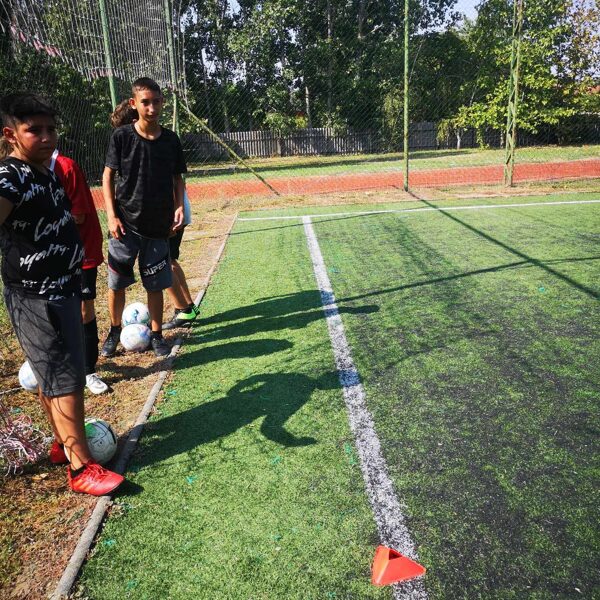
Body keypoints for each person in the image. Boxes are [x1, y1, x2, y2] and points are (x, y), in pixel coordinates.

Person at [0, 92, 123, 495]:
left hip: (63, 289)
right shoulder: (10, 176)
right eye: (34, 130)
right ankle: (81, 468)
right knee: (65, 378)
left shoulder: (45, 171)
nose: (46, 136)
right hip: (35, 297)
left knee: (55, 375)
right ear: (10, 134)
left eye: (51, 129)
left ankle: (62, 445)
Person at [101, 78, 186, 358]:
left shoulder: (171, 140)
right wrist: (112, 215)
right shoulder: (122, 137)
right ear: (133, 104)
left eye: (156, 101)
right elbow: (108, 176)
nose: (151, 108)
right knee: (117, 284)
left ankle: (157, 335)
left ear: (163, 102)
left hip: (158, 228)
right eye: (145, 102)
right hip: (124, 226)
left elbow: (177, 178)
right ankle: (114, 331)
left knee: (156, 285)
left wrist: (179, 207)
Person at [108, 100, 198, 330]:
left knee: (164, 262)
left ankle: (185, 309)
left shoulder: (158, 142)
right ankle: (187, 306)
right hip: (169, 211)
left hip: (169, 213)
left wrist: (175, 209)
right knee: (170, 260)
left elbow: (174, 179)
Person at [48, 150, 109, 394]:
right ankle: (61, 366)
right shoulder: (24, 170)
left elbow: (79, 216)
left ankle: (88, 370)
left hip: (81, 252)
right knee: (53, 310)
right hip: (51, 254)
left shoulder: (66, 167)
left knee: (84, 309)